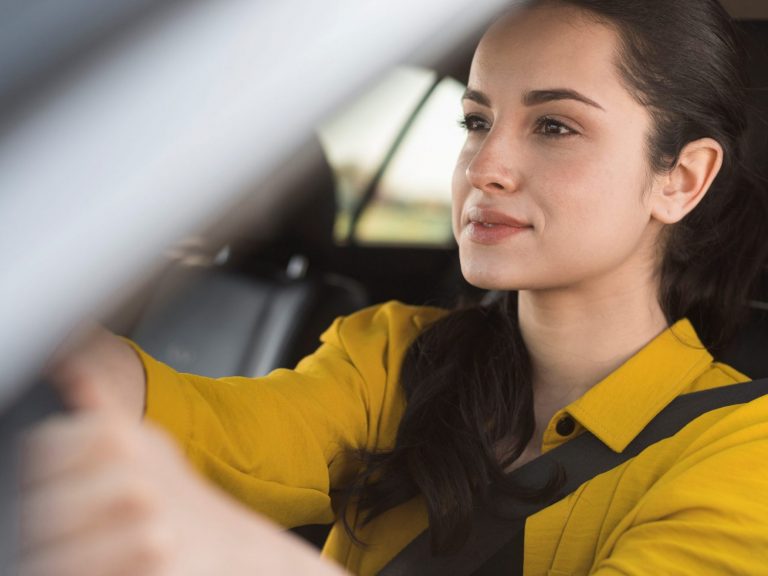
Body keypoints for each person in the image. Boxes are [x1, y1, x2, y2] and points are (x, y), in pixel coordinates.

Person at [18, 0, 768, 574]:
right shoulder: (397, 354)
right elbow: (206, 427)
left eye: (554, 128)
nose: (483, 167)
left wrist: (248, 559)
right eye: (477, 122)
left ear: (681, 178)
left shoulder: (743, 450)